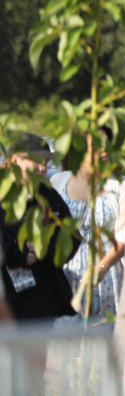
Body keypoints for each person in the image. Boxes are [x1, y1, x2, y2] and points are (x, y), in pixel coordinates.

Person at [50, 133, 125, 324]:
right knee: (66, 338)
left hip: (108, 278)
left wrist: (102, 267)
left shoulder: (121, 184)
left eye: (107, 145)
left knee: (105, 336)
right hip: (68, 280)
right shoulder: (58, 181)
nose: (104, 151)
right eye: (97, 146)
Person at [1, 134, 76, 322]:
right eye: (37, 161)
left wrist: (46, 250)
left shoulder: (48, 196)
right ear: (15, 159)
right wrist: (18, 253)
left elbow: (71, 236)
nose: (43, 168)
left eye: (46, 162)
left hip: (43, 301)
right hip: (7, 302)